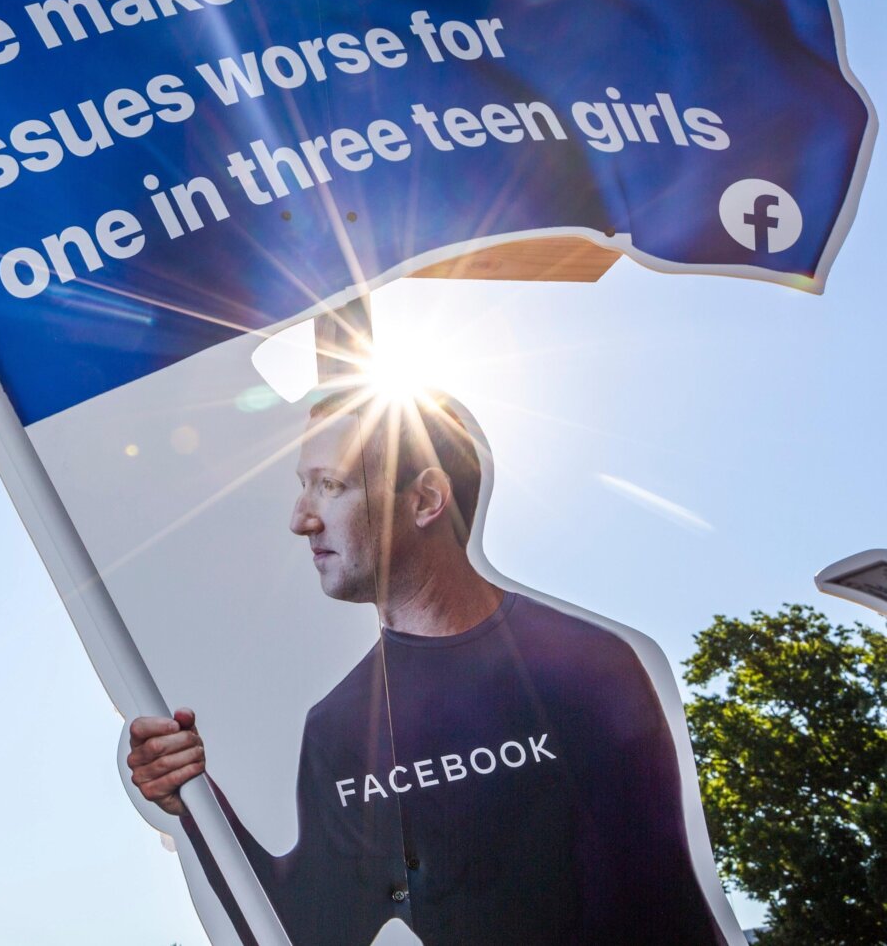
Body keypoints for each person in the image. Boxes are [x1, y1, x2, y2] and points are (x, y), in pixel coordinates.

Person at [127, 388, 725, 946]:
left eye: (331, 486)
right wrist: (197, 800)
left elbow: (659, 903)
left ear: (427, 499)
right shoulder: (338, 724)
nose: (301, 519)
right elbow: (310, 930)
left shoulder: (587, 667)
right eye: (303, 487)